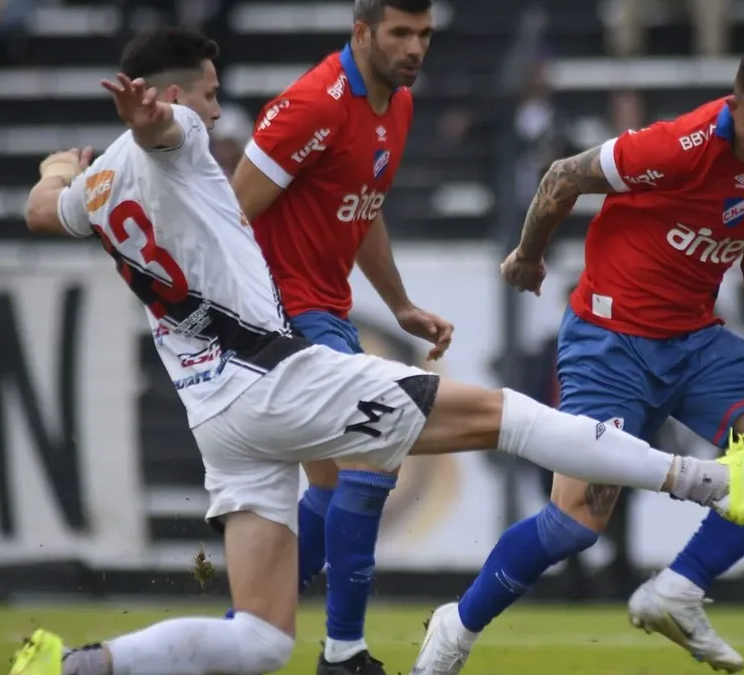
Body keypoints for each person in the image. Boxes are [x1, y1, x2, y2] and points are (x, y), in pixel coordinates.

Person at [8, 26, 744, 675]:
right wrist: (154, 123)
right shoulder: (176, 138)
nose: (217, 110)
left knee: (261, 638)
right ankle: (710, 479)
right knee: (504, 415)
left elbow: (43, 209)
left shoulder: (100, 182)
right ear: (173, 95)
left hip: (216, 414)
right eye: (209, 94)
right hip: (278, 379)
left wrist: (60, 165)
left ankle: (77, 666)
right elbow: (166, 130)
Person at [412, 44, 744, 675]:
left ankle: (678, 588)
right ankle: (455, 628)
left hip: (694, 341)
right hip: (610, 340)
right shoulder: (677, 147)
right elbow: (562, 177)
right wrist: (528, 256)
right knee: (575, 524)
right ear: (735, 106)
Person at [228, 1, 449, 673]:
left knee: (332, 488)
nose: (414, 48)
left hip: (327, 308)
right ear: (361, 32)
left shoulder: (397, 107)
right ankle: (343, 651)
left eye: (424, 35)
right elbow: (232, 214)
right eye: (399, 34)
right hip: (286, 314)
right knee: (372, 457)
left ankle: (237, 637)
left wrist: (401, 304)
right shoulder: (310, 106)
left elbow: (364, 210)